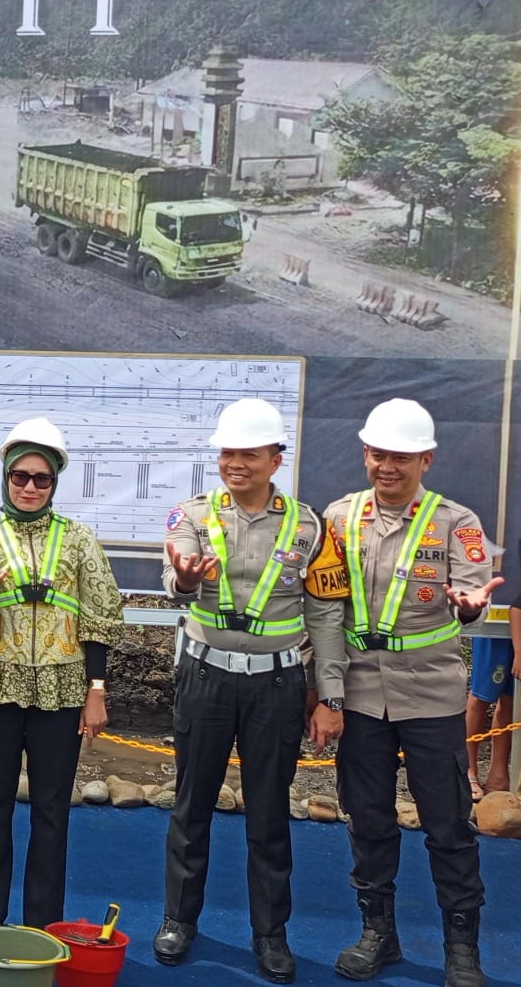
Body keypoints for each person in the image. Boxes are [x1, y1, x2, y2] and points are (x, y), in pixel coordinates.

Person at [154, 398, 347, 983]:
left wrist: (330, 696)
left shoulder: (311, 527)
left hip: (278, 683)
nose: (235, 463)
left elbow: (326, 616)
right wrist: (184, 580)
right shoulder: (191, 514)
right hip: (206, 675)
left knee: (268, 812)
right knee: (191, 805)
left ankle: (270, 934)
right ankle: (179, 920)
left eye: (249, 453)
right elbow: (175, 580)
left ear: (275, 459)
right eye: (227, 453)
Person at [325, 398, 501, 986]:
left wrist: (473, 606)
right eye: (378, 454)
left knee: (448, 824)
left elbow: (474, 592)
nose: (388, 466)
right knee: (367, 817)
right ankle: (379, 935)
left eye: (401, 456)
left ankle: (462, 950)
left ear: (426, 458)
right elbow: (322, 606)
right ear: (365, 454)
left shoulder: (457, 522)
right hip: (358, 691)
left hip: (431, 694)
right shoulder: (338, 518)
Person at [0, 418, 122, 930]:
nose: (28, 487)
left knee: (51, 810)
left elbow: (101, 614)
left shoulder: (79, 539)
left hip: (62, 689)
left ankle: (43, 924)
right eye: (19, 476)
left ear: (55, 483)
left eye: (40, 479)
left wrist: (96, 690)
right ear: (5, 477)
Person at [464, 590, 516, 798]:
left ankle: (499, 772)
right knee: (482, 693)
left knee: (512, 697)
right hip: (496, 613)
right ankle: (468, 771)